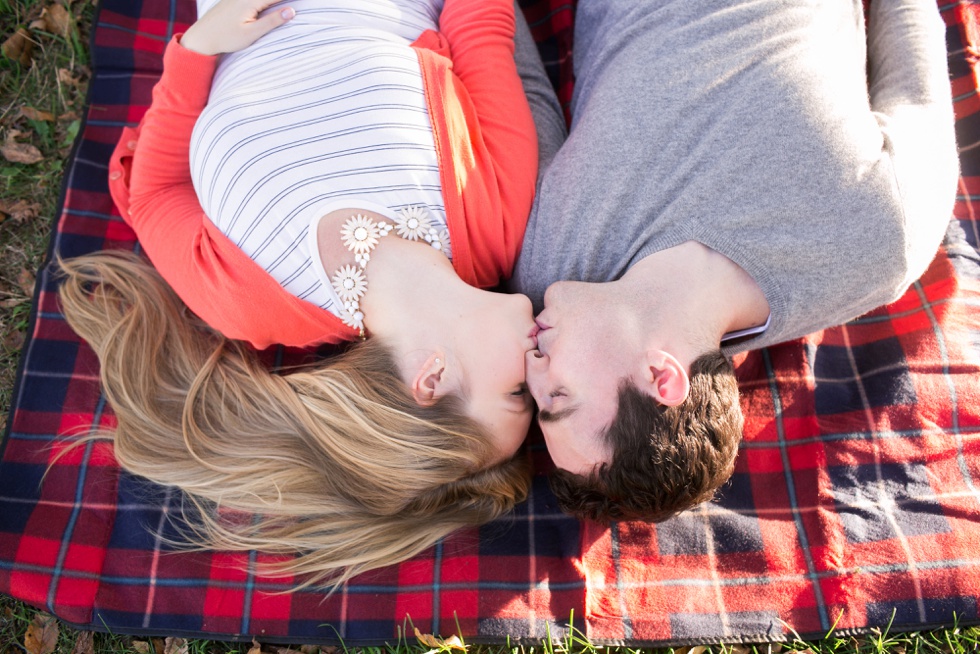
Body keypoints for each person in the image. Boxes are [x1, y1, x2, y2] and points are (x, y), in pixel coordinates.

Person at [57, 0, 541, 590]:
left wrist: (195, 53)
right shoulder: (498, 220)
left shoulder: (247, 302)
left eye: (520, 393)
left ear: (430, 378)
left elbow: (155, 194)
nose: (543, 368)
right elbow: (477, 27)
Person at [511, 0, 959, 521]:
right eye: (558, 397)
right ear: (662, 378)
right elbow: (914, 61)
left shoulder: (550, 268)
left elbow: (521, 87)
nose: (530, 368)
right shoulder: (878, 242)